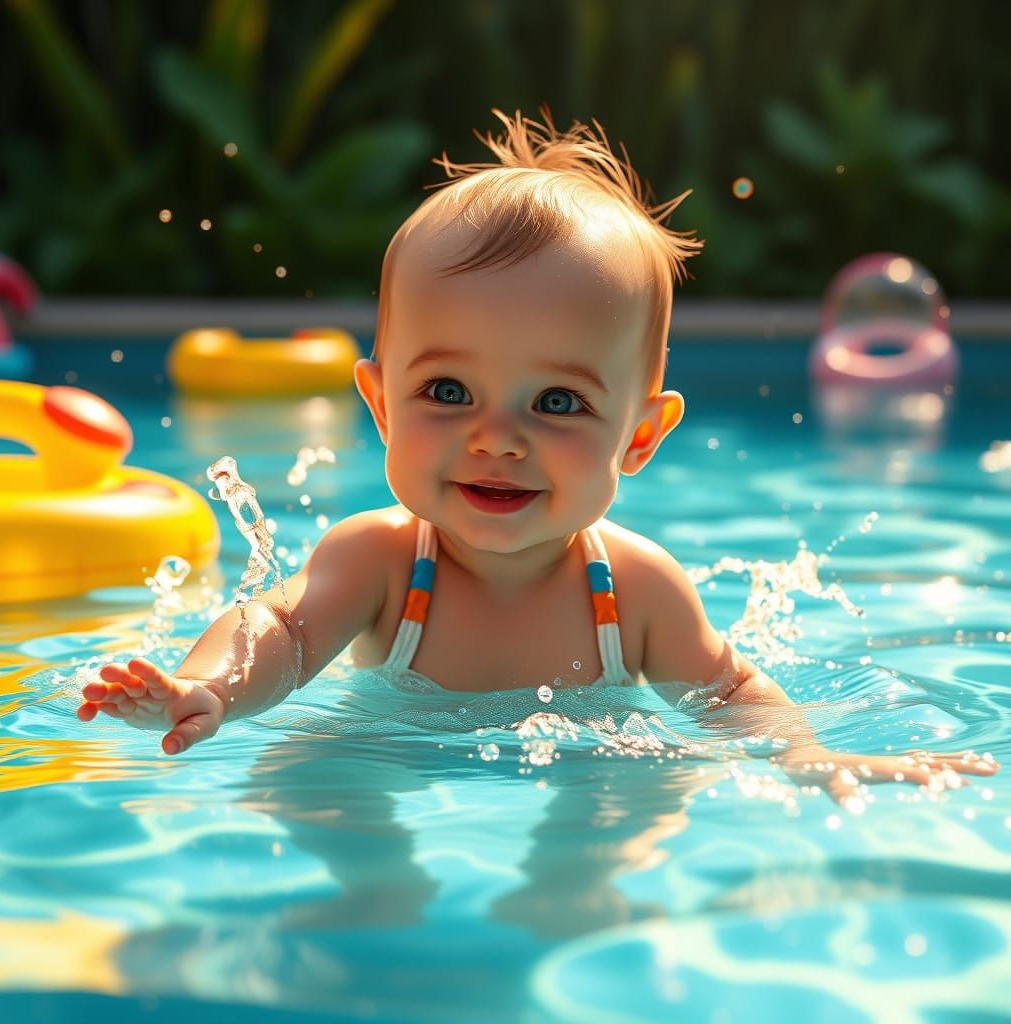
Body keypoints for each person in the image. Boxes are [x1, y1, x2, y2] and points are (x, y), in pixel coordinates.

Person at [77, 109, 997, 806]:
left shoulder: (634, 589)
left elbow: (728, 690)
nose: (496, 437)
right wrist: (211, 688)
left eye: (558, 402)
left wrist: (804, 752)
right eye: (446, 393)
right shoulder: (383, 562)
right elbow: (280, 627)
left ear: (637, 438)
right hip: (377, 756)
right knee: (309, 781)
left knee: (643, 807)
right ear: (380, 406)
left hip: (591, 776)